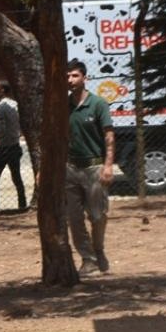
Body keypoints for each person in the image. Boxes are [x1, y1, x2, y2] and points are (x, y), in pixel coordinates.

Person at [65, 60, 115, 276]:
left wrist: (108, 165)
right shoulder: (63, 106)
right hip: (70, 169)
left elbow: (109, 135)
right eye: (67, 76)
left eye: (75, 75)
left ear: (85, 78)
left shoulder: (98, 104)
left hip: (94, 167)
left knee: (97, 215)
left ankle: (99, 250)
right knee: (74, 219)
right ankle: (88, 258)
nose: (70, 80)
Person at [0, 79, 26, 212]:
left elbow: (2, 129)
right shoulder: (14, 104)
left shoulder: (0, 107)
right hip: (15, 145)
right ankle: (22, 203)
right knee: (16, 176)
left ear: (2, 91)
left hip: (4, 147)